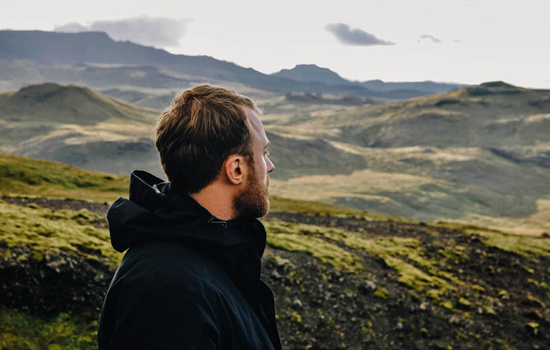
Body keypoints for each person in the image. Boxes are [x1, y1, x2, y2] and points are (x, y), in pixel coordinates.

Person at [98, 84, 281, 349]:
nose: (270, 166)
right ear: (236, 169)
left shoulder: (212, 254)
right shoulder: (170, 291)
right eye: (263, 153)